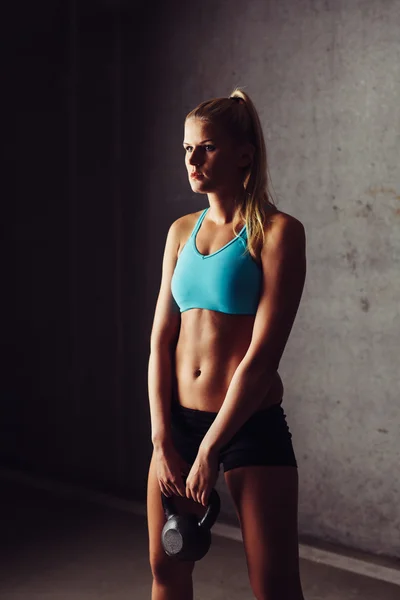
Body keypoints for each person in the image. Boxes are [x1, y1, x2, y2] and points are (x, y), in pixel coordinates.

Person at [147, 87, 307, 600]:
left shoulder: (279, 233)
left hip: (247, 428)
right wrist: (162, 437)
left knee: (274, 587)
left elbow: (261, 358)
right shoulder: (178, 233)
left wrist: (211, 449)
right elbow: (159, 342)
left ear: (244, 153)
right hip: (178, 427)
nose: (193, 160)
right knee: (166, 570)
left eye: (207, 147)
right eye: (187, 149)